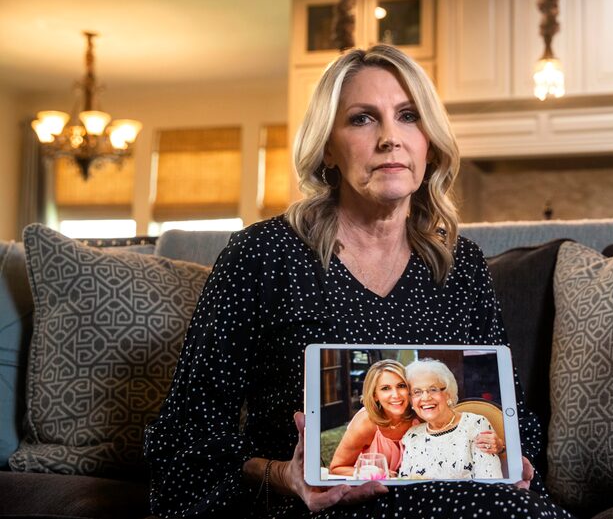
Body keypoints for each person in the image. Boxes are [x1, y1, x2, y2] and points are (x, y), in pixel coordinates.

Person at [144, 44, 573, 519]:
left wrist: (512, 456)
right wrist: (286, 475)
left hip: (461, 501)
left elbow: (513, 413)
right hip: (318, 509)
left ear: (429, 142)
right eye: (362, 119)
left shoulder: (461, 265)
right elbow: (184, 437)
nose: (391, 137)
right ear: (328, 147)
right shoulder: (261, 256)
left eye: (408, 116)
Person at [328, 359, 503, 477]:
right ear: (374, 395)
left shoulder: (422, 417)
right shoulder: (369, 422)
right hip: (374, 487)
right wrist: (371, 471)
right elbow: (336, 467)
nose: (396, 395)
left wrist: (501, 447)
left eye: (401, 386)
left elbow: (490, 477)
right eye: (385, 388)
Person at [399, 359, 502, 479]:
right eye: (417, 392)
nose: (426, 397)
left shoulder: (475, 425)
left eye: (433, 389)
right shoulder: (412, 435)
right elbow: (404, 484)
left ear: (448, 393)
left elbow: (490, 480)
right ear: (411, 400)